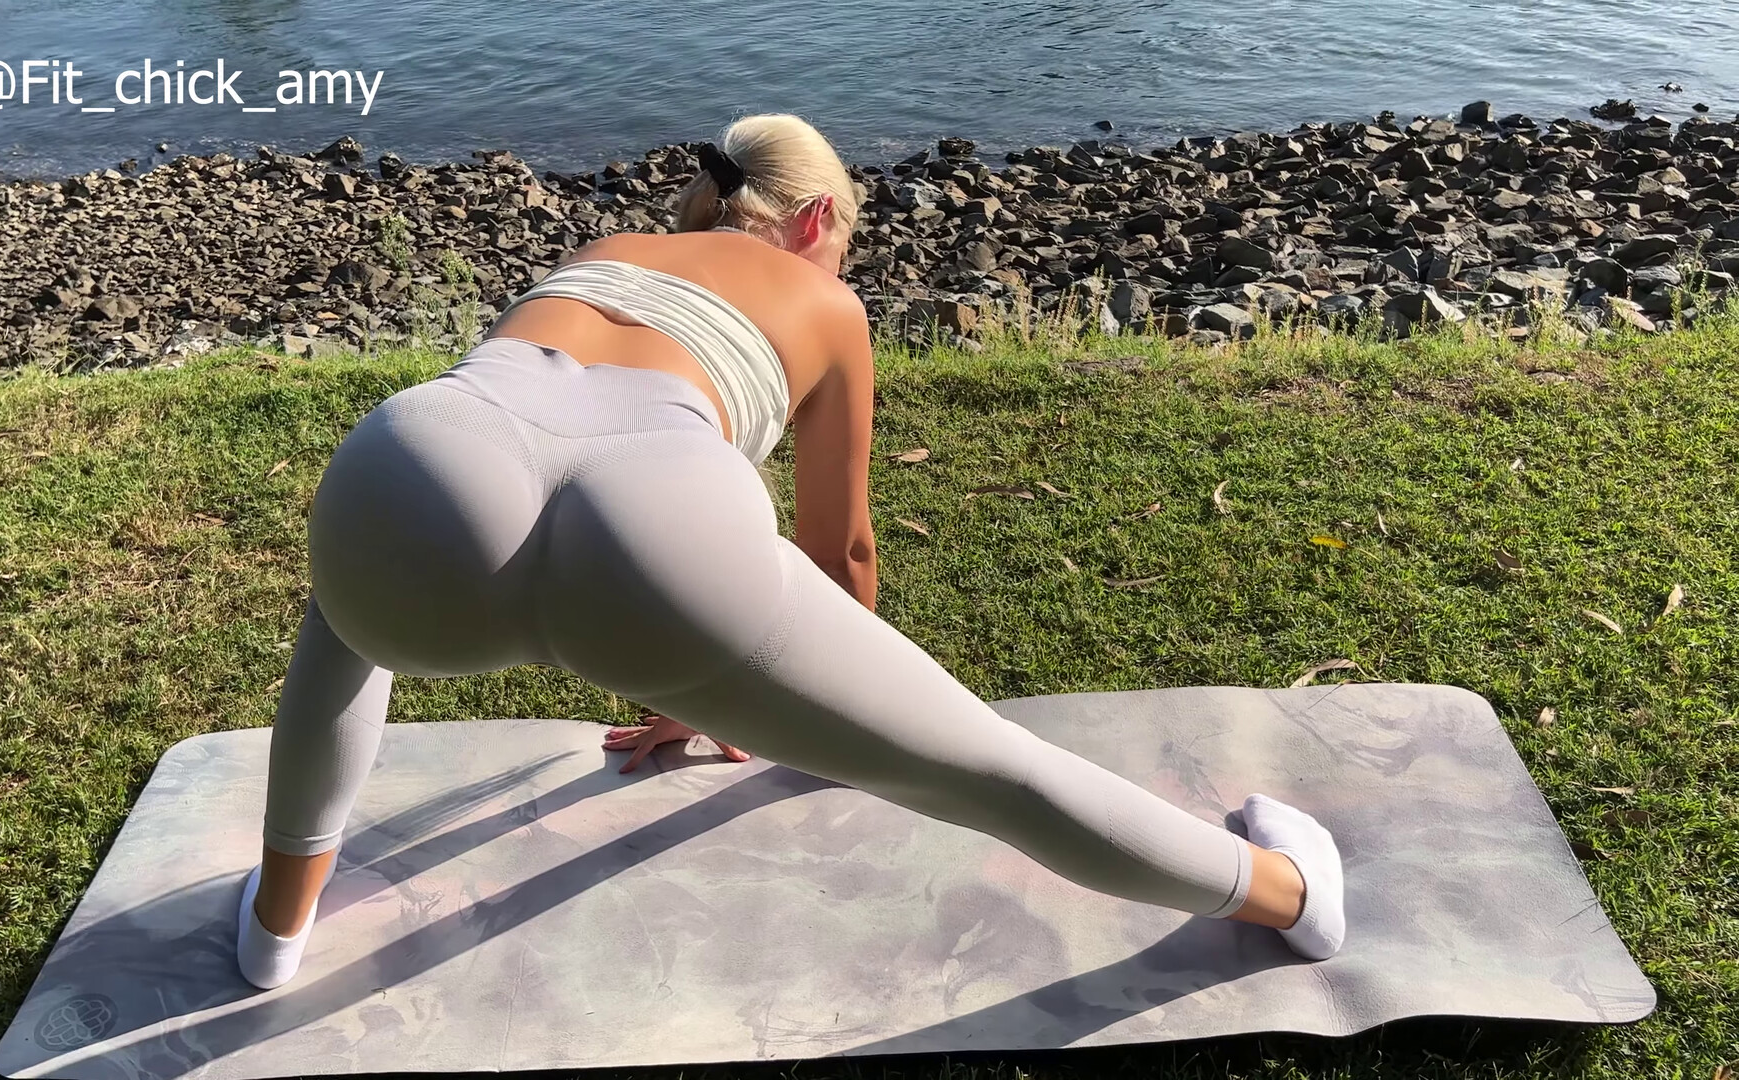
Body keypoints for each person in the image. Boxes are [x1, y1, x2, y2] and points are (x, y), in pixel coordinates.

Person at [237, 114, 1345, 991]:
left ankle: (277, 931)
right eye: (845, 237)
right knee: (988, 769)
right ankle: (1291, 895)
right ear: (815, 218)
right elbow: (839, 550)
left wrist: (693, 673)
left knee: (344, 626)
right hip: (665, 522)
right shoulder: (826, 300)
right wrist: (755, 687)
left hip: (431, 457)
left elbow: (557, 454)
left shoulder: (606, 251)